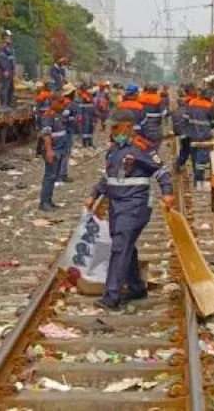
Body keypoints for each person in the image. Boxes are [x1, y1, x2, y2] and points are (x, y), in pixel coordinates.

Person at [85, 117, 175, 310]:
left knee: (120, 245)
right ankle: (136, 287)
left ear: (127, 126)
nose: (114, 131)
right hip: (116, 205)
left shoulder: (142, 148)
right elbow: (107, 177)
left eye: (116, 127)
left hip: (135, 205)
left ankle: (112, 297)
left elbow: (161, 172)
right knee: (126, 245)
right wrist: (94, 195)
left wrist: (167, 193)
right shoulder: (113, 151)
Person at [38, 93, 70, 212]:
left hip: (59, 149)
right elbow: (46, 135)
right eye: (60, 102)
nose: (62, 104)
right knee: (49, 176)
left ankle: (49, 201)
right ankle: (44, 202)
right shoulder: (48, 116)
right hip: (53, 150)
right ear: (53, 102)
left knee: (53, 177)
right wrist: (49, 151)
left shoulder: (58, 114)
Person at [181, 87, 214, 189]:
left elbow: (186, 119)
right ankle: (199, 183)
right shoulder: (209, 106)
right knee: (201, 162)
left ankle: (196, 182)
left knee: (194, 159)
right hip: (204, 137)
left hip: (192, 136)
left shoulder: (191, 103)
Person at [57, 85, 79, 183]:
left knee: (59, 153)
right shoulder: (71, 105)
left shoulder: (60, 103)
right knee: (65, 153)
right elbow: (68, 118)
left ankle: (57, 174)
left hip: (58, 132)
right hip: (67, 131)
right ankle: (62, 175)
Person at [137, 83, 167, 150]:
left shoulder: (140, 99)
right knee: (154, 149)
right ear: (156, 90)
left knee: (141, 148)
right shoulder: (159, 100)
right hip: (155, 129)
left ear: (147, 90)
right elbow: (164, 113)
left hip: (142, 129)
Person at [0, 30, 16, 107]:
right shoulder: (2, 47)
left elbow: (12, 59)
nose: (10, 38)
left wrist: (13, 70)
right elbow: (2, 59)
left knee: (11, 88)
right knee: (5, 87)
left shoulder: (10, 47)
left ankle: (8, 104)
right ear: (4, 37)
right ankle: (3, 105)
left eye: (10, 37)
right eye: (9, 37)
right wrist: (6, 70)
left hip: (10, 71)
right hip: (5, 71)